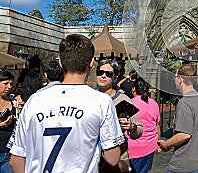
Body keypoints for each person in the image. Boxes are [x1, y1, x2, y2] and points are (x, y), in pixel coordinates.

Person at [9, 34, 125, 173]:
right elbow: (112, 158)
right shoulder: (101, 101)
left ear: (61, 64)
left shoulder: (34, 100)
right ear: (91, 63)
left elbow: (16, 160)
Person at [158, 64, 198, 173]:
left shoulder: (185, 103)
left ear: (180, 79)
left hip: (189, 162)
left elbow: (184, 135)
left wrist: (166, 144)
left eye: (175, 77)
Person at [96, 59, 143, 173]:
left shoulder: (123, 99)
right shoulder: (89, 98)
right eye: (100, 72)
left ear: (115, 78)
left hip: (118, 157)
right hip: (94, 156)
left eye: (108, 74)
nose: (103, 76)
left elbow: (139, 131)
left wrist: (131, 127)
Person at [128, 77, 160, 173]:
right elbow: (157, 125)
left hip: (134, 148)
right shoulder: (154, 104)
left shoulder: (130, 103)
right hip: (150, 145)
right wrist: (158, 142)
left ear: (134, 88)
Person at [0, 70, 16, 173]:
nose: (9, 87)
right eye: (6, 83)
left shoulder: (12, 101)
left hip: (8, 152)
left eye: (11, 84)